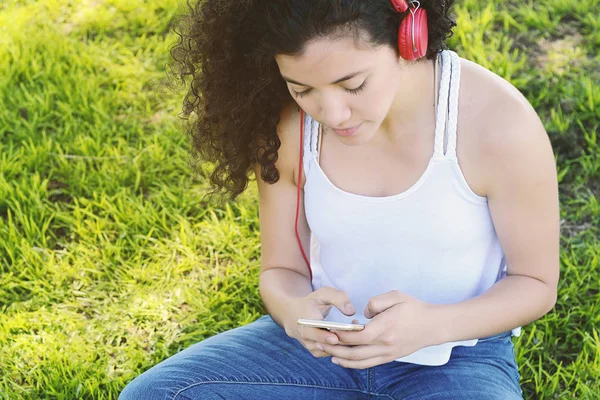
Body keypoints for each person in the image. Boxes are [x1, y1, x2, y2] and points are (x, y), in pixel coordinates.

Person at [119, 0, 560, 398]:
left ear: (409, 40)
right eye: (301, 89)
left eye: (352, 85)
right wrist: (295, 312)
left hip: (457, 357)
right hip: (320, 352)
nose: (331, 114)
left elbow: (536, 285)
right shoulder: (288, 131)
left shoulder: (498, 125)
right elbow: (281, 269)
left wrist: (431, 326)